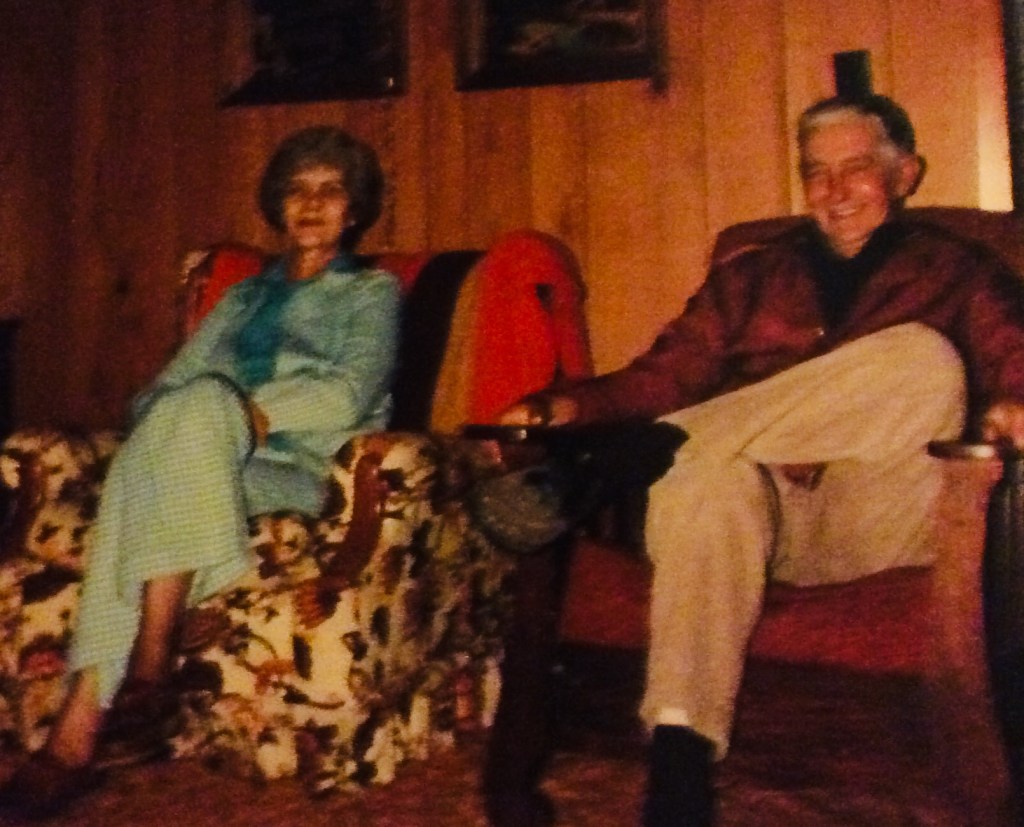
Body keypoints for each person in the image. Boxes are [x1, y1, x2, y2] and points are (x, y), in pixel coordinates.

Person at [499, 95, 1024, 825]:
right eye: (816, 172)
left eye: (857, 169)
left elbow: (1014, 354)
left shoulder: (957, 270)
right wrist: (565, 408)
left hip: (879, 518)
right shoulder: (751, 277)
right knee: (706, 479)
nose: (835, 191)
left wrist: (1014, 404)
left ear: (904, 174)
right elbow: (662, 377)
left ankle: (637, 454)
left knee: (923, 357)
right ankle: (678, 769)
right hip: (758, 517)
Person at [0, 125, 400, 819]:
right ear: (277, 205)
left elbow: (347, 395)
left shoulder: (371, 292)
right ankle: (94, 718)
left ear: (355, 208)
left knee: (175, 436)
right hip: (204, 457)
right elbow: (158, 393)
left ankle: (105, 706)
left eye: (331, 190)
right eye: (297, 190)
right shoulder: (243, 298)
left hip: (300, 469)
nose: (312, 204)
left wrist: (239, 412)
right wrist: (189, 416)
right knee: (172, 425)